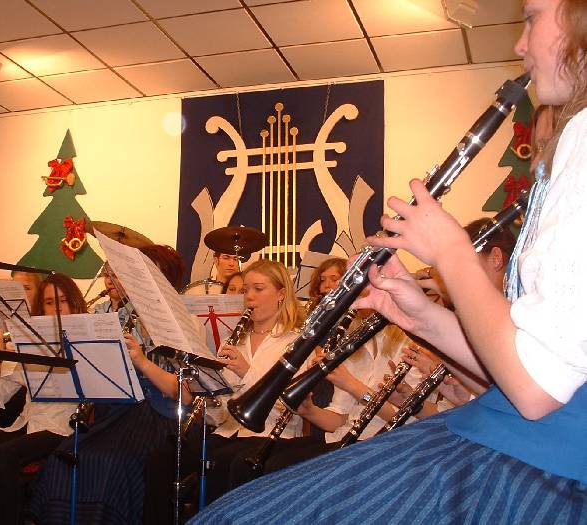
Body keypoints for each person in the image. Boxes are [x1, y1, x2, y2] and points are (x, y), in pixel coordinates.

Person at [191, 1, 587, 522]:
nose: (519, 42)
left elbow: (535, 391)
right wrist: (419, 315)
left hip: (543, 465)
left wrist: (449, 250)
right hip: (522, 440)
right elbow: (520, 374)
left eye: (533, 16)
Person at [30, 244, 197, 524]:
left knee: (110, 464)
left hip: (161, 418)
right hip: (122, 414)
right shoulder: (125, 319)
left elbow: (185, 394)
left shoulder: (185, 323)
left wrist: (142, 362)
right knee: (65, 456)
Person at [143, 259, 304, 523]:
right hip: (228, 431)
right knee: (161, 459)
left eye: (258, 289)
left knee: (219, 463)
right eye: (246, 290)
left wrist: (247, 372)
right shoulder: (234, 341)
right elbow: (219, 410)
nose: (249, 296)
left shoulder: (295, 342)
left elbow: (290, 403)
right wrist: (203, 390)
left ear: (281, 294)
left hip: (270, 434)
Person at [0, 273, 84, 525]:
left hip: (62, 427)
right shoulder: (32, 340)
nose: (56, 308)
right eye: (49, 302)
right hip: (26, 424)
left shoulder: (83, 340)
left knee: (5, 454)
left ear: (75, 303)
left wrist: (6, 355)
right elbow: (0, 395)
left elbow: (60, 383)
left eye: (63, 301)